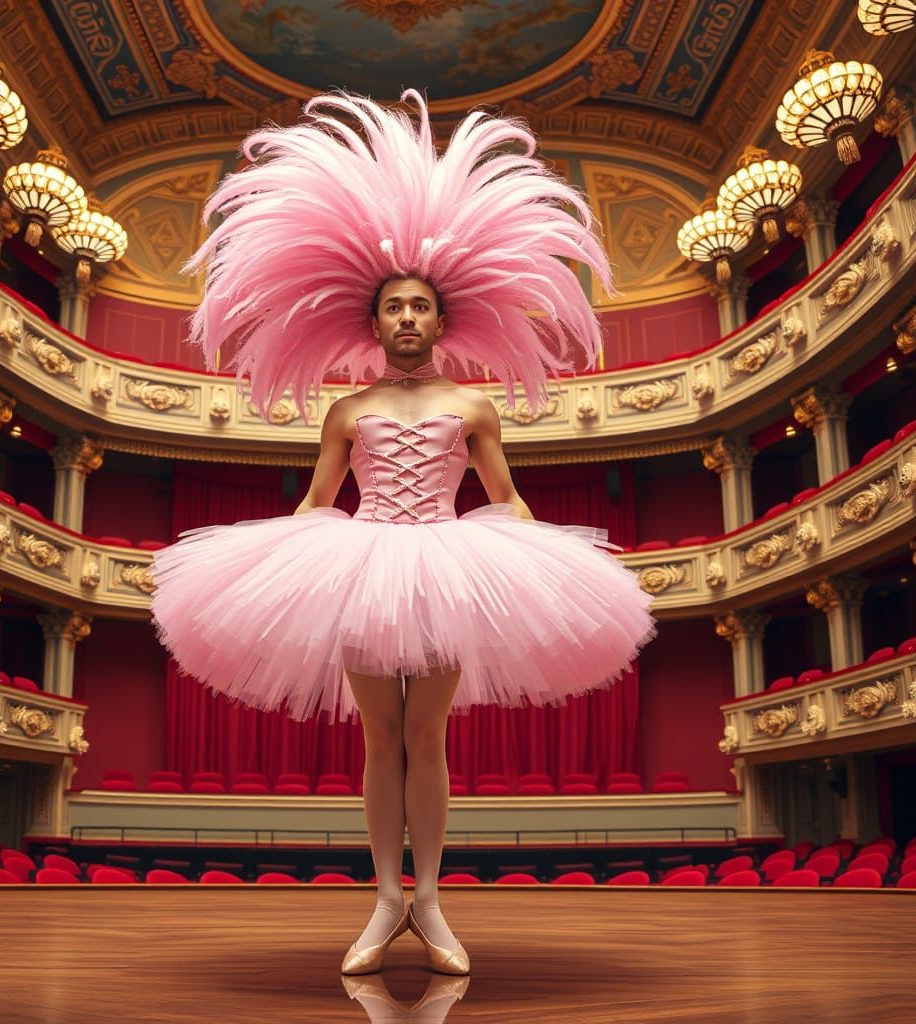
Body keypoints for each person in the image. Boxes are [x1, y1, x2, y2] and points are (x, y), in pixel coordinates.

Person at [149, 89, 657, 977]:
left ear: (441, 316)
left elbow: (504, 498)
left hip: (451, 561)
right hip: (365, 557)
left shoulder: (474, 404)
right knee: (379, 734)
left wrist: (548, 571)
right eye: (395, 307)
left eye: (421, 305)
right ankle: (386, 896)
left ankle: (430, 898)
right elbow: (320, 498)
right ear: (374, 319)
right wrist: (282, 568)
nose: (409, 318)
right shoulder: (348, 407)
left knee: (431, 734)